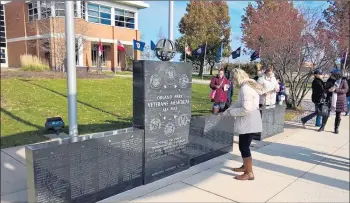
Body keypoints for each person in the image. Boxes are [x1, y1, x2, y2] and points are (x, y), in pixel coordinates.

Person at [222, 68, 264, 181]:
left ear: (237, 77)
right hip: (249, 121)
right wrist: (227, 111)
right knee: (243, 145)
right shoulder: (247, 86)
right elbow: (238, 103)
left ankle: (249, 173)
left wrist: (230, 112)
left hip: (249, 121)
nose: (232, 81)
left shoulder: (246, 88)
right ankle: (245, 166)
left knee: (244, 147)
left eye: (233, 79)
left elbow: (246, 109)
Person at [318, 69, 348, 134]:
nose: (331, 75)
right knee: (326, 113)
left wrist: (336, 90)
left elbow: (345, 90)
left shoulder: (343, 81)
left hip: (339, 100)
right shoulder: (330, 80)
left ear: (336, 75)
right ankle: (322, 126)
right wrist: (328, 90)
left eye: (332, 74)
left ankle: (336, 128)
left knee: (338, 115)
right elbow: (325, 89)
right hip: (330, 99)